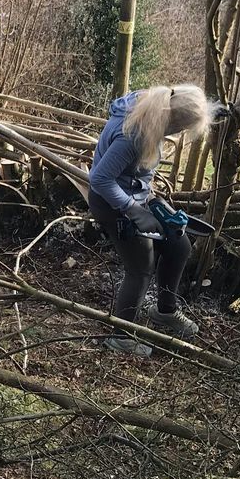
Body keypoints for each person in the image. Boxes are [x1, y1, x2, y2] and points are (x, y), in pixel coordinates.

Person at [88, 85, 212, 356]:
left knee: (179, 247)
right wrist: (133, 209)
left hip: (132, 195)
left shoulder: (154, 105)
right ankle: (120, 336)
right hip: (110, 202)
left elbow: (136, 174)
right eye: (180, 129)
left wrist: (154, 203)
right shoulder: (133, 135)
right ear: (174, 121)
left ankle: (164, 312)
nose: (178, 134)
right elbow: (99, 179)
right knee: (141, 267)